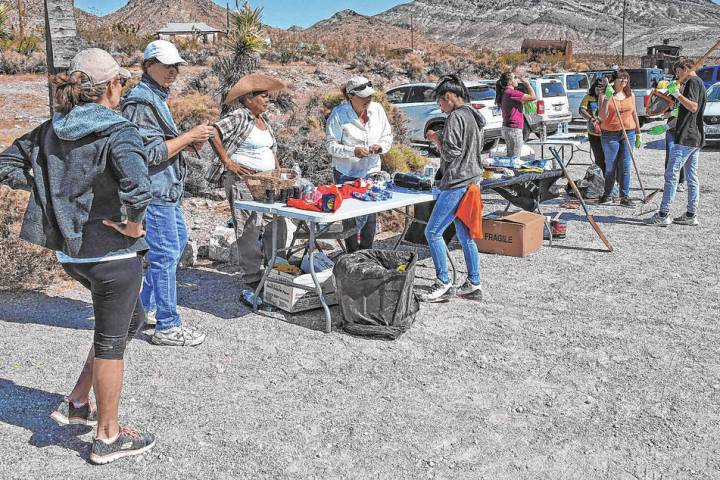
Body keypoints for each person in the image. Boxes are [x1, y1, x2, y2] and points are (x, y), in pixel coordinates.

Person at [0, 48, 155, 464]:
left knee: (130, 322)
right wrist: (135, 226)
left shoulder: (52, 129)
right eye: (120, 81)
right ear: (109, 86)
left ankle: (77, 400)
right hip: (113, 257)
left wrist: (46, 196)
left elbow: (6, 163)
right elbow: (139, 189)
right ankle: (106, 436)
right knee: (111, 342)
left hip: (74, 258)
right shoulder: (118, 131)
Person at [122, 40, 212, 346]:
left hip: (166, 189)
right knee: (164, 254)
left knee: (175, 245)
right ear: (149, 65)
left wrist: (188, 141)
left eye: (177, 66)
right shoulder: (141, 101)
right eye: (167, 65)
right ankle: (168, 325)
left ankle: (143, 309)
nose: (173, 71)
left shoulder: (155, 96)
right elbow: (147, 154)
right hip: (156, 191)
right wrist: (188, 137)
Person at [212, 73, 289, 285]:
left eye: (268, 96)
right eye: (263, 96)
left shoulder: (262, 120)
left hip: (267, 181)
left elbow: (270, 150)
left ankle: (276, 269)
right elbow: (213, 132)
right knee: (248, 228)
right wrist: (228, 161)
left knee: (276, 223)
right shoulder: (240, 116)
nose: (268, 100)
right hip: (243, 181)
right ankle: (253, 277)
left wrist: (278, 171)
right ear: (248, 98)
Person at [420, 74, 484, 303]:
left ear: (448, 97)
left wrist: (436, 139)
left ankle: (443, 283)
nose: (441, 108)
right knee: (465, 236)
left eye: (440, 103)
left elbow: (451, 152)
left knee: (433, 232)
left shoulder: (456, 117)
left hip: (458, 182)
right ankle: (474, 283)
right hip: (472, 180)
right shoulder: (474, 115)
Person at [325, 75, 393, 252]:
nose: (368, 99)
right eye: (363, 96)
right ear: (351, 96)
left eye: (370, 95)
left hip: (371, 170)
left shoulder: (377, 110)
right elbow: (331, 146)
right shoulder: (339, 114)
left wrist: (380, 147)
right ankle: (352, 253)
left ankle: (366, 252)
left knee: (370, 213)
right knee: (350, 215)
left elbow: (387, 136)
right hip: (346, 171)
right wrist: (352, 151)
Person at [646, 59, 706, 226]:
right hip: (695, 136)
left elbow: (693, 107)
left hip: (686, 137)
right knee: (692, 177)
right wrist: (665, 126)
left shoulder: (693, 82)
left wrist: (678, 94)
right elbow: (682, 112)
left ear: (686, 69)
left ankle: (663, 214)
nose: (678, 76)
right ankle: (691, 214)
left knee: (671, 175)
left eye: (679, 72)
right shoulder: (699, 83)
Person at [598, 70, 641, 206]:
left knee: (625, 165)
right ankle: (608, 194)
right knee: (611, 165)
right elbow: (602, 116)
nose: (624, 81)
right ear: (614, 80)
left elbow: (634, 114)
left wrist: (638, 133)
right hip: (610, 134)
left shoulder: (630, 95)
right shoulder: (605, 95)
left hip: (628, 133)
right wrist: (607, 99)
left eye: (626, 79)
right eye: (621, 78)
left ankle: (624, 196)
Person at [580, 77, 620, 198]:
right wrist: (591, 118)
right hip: (594, 134)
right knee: (599, 160)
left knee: (612, 161)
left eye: (602, 87)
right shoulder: (589, 98)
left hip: (609, 133)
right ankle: (602, 184)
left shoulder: (609, 97)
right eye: (597, 87)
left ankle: (614, 184)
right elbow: (581, 110)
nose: (599, 90)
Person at [495, 71, 536, 157]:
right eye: (515, 78)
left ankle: (510, 170)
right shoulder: (511, 93)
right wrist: (527, 84)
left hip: (508, 128)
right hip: (514, 129)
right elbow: (533, 97)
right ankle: (513, 170)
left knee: (511, 156)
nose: (517, 80)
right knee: (515, 158)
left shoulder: (505, 92)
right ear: (510, 81)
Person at [655, 79, 686, 192]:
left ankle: (681, 182)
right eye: (680, 85)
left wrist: (673, 113)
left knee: (680, 157)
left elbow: (684, 113)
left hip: (682, 131)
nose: (680, 87)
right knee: (669, 157)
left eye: (682, 85)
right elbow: (663, 114)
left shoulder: (686, 99)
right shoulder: (671, 98)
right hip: (671, 131)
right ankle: (668, 182)